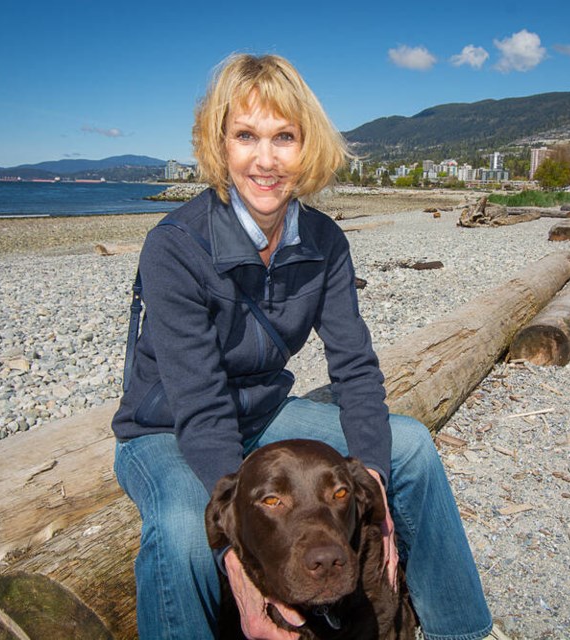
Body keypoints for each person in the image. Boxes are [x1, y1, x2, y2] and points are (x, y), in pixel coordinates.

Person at [112, 53, 501, 640]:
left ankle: (461, 629)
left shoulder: (324, 242)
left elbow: (355, 367)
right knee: (180, 526)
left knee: (413, 447)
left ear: (306, 146)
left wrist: (374, 479)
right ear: (220, 147)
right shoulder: (175, 249)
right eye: (245, 136)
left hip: (263, 411)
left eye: (283, 138)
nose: (265, 160)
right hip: (164, 426)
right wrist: (239, 562)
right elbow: (200, 405)